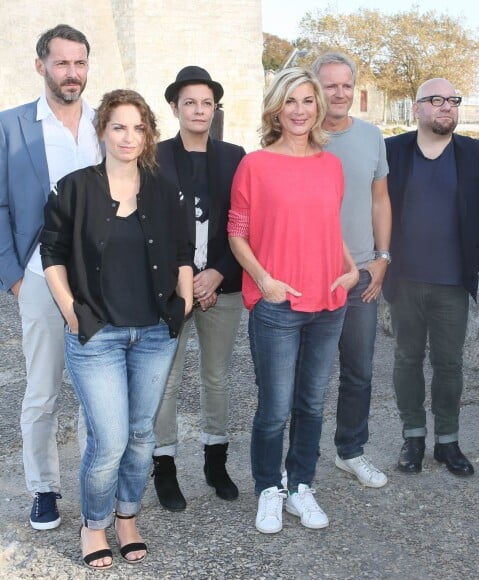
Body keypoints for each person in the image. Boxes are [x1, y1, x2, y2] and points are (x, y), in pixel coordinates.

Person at [40, 89, 193, 569]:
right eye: (119, 127)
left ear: (148, 134)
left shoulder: (163, 189)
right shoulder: (74, 188)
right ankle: (94, 523)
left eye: (138, 128)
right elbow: (53, 253)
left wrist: (183, 301)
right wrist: (69, 307)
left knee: (142, 434)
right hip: (97, 333)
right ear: (102, 130)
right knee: (109, 440)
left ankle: (128, 516)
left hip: (152, 332)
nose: (129, 137)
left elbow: (184, 250)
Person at [228, 67, 358, 534]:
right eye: (291, 101)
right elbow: (237, 233)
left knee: (311, 404)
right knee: (275, 407)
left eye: (308, 100)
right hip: (277, 304)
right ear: (276, 109)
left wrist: (351, 268)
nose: (300, 110)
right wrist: (264, 281)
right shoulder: (255, 164)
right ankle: (269, 488)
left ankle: (301, 484)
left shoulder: (332, 165)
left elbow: (328, 226)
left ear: (318, 107)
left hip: (329, 301)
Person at [0, 24, 101, 530]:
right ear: (41, 66)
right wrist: (14, 275)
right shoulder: (11, 125)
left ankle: (93, 485)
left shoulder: (107, 124)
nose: (72, 73)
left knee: (98, 390)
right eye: (62, 63)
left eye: (79, 63)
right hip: (39, 277)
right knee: (42, 390)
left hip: (100, 282)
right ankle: (43, 488)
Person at [384, 78, 479, 477]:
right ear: (416, 109)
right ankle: (413, 437)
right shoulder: (392, 151)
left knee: (449, 366)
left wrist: (473, 262)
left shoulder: (476, 156)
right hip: (405, 280)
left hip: (452, 283)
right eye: (436, 100)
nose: (446, 107)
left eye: (453, 100)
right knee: (407, 360)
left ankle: (447, 442)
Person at [152, 66, 245, 510]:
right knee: (166, 381)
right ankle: (164, 466)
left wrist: (219, 273)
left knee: (217, 377)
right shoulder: (154, 157)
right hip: (171, 290)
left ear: (215, 108)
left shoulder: (234, 156)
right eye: (190, 102)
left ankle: (215, 461)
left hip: (222, 287)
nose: (199, 110)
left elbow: (245, 223)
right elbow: (148, 226)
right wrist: (185, 279)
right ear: (174, 107)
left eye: (206, 103)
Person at [311, 52, 391, 488]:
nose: (339, 93)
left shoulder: (371, 136)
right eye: (330, 85)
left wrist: (383, 258)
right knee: (307, 375)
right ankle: (297, 462)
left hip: (360, 273)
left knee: (358, 370)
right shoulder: (301, 138)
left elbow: (380, 200)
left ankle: (351, 451)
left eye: (346, 85)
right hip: (310, 276)